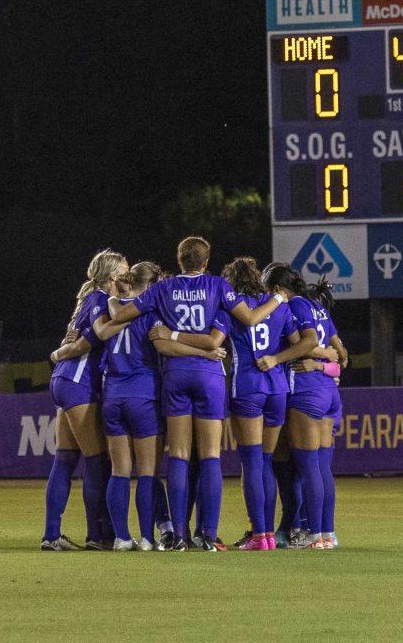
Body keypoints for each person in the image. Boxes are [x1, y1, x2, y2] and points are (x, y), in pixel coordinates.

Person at [105, 236, 287, 551]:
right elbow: (250, 318)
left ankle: (178, 536)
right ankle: (208, 535)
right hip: (210, 377)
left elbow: (120, 316)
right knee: (210, 456)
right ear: (205, 261)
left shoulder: (162, 289)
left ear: (180, 260)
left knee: (177, 455)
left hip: (174, 374)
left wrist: (113, 298)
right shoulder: (218, 287)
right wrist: (280, 299)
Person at [87, 262, 227, 551]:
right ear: (150, 286)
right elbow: (164, 347)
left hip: (112, 395)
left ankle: (122, 538)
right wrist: (206, 351)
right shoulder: (151, 312)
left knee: (119, 471)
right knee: (148, 472)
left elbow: (101, 331)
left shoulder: (112, 308)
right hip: (143, 396)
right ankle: (148, 538)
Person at [199, 257, 317, 550]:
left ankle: (260, 534)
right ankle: (268, 537)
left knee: (252, 463)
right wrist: (278, 359)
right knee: (265, 462)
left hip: (247, 387)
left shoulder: (231, 306)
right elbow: (304, 342)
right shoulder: (278, 306)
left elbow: (214, 341)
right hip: (277, 388)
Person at [39, 249, 122, 551]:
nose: (127, 275)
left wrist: (61, 352)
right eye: (123, 271)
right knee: (97, 461)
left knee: (65, 459)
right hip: (78, 382)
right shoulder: (100, 299)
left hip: (63, 380)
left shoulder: (87, 299)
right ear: (113, 275)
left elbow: (69, 340)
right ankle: (96, 535)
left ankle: (52, 535)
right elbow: (85, 342)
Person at [261, 264, 347, 550]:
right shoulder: (317, 306)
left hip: (306, 390)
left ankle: (315, 535)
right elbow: (342, 355)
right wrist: (325, 361)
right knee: (322, 468)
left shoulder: (295, 305)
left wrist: (280, 358)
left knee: (307, 468)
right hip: (329, 391)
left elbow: (308, 341)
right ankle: (327, 534)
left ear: (276, 289)